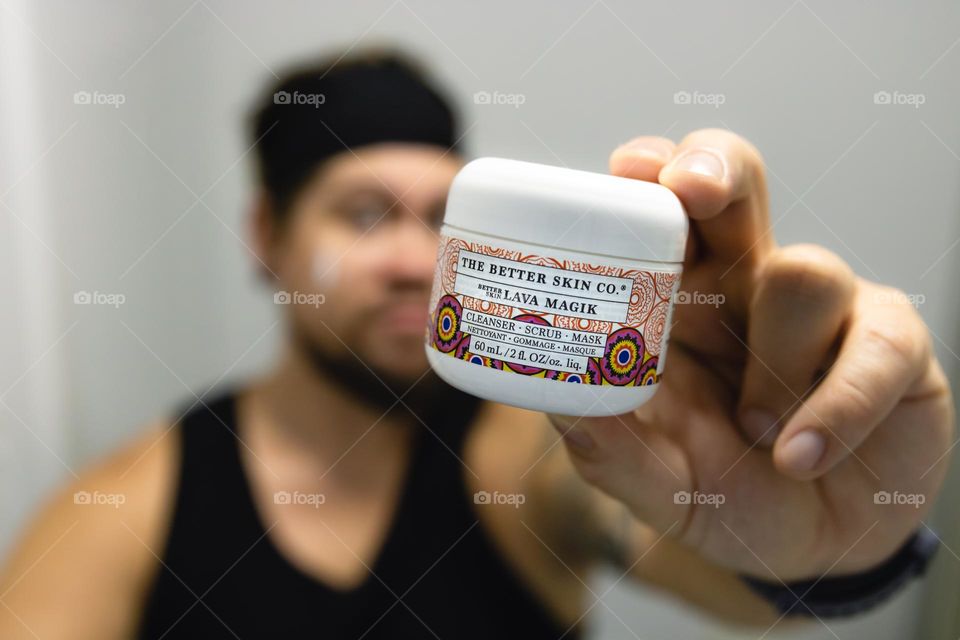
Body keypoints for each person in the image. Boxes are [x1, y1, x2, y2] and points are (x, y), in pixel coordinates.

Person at [0, 48, 953, 639]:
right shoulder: (124, 510)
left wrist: (830, 551)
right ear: (267, 235)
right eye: (364, 215)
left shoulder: (540, 459)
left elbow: (729, 583)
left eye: (440, 221)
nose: (416, 261)